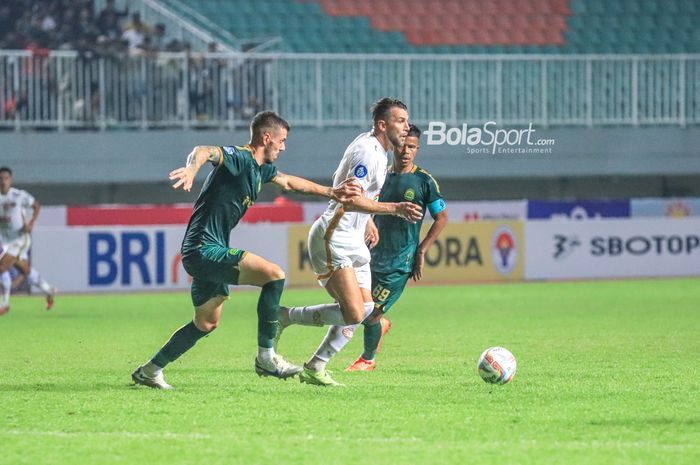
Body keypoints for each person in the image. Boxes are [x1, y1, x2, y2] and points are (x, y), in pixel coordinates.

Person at [131, 111, 362, 390]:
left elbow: (289, 182)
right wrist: (192, 168)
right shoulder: (240, 158)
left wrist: (331, 192)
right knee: (274, 275)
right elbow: (203, 151)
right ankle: (266, 356)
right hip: (203, 248)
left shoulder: (261, 169)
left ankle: (150, 370)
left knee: (206, 323)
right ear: (267, 138)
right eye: (282, 140)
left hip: (209, 250)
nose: (284, 146)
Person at [275, 98, 423, 387]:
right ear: (383, 125)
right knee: (353, 311)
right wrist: (396, 208)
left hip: (354, 239)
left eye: (407, 121)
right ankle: (284, 316)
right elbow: (353, 198)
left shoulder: (377, 149)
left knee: (364, 313)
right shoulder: (368, 152)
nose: (406, 127)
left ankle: (316, 367)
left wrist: (367, 220)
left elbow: (343, 182)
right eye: (400, 121)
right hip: (335, 237)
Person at [346, 124, 448, 371]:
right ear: (393, 145)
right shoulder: (381, 175)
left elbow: (442, 218)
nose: (406, 151)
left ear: (417, 149)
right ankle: (379, 328)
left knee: (371, 314)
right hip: (370, 256)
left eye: (412, 147)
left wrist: (421, 250)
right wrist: (369, 221)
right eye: (402, 145)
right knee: (353, 309)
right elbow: (364, 203)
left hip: (399, 263)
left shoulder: (424, 181)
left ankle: (367, 360)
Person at [0, 166, 57, 316]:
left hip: (20, 239)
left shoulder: (19, 195)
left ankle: (5, 304)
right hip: (6, 242)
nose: (3, 182)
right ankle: (48, 290)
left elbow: (36, 205)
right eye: (0, 179)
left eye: (6, 178)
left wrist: (31, 223)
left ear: (10, 180)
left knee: (1, 267)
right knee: (25, 270)